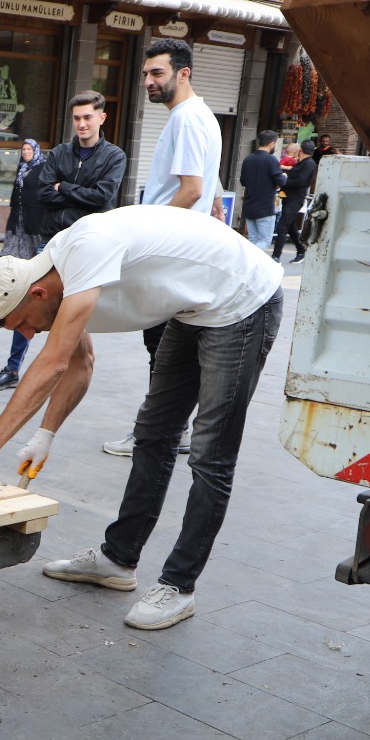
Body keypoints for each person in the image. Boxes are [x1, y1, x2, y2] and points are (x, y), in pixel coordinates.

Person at [0, 204, 283, 631]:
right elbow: (79, 361)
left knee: (209, 455)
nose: (28, 335)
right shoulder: (59, 277)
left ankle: (179, 587)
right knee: (153, 435)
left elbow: (52, 362)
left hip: (243, 302)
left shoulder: (84, 254)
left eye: (23, 325)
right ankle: (118, 559)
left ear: (37, 294)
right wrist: (45, 435)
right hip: (193, 307)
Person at [103, 38, 224, 459]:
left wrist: (148, 234)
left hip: (170, 254)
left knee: (163, 351)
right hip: (184, 250)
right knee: (168, 350)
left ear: (183, 73)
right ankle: (170, 430)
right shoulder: (198, 115)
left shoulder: (188, 119)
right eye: (145, 74)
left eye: (157, 73)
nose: (148, 82)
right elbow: (207, 190)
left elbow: (190, 190)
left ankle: (157, 433)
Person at [0, 139, 49, 390]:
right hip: (21, 235)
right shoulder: (23, 170)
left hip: (43, 240)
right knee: (24, 300)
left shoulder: (45, 170)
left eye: (29, 149)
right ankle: (12, 368)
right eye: (24, 150)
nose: (26, 153)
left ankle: (48, 371)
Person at [272, 139, 318, 265]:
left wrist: (285, 181)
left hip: (296, 198)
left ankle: (276, 256)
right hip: (289, 197)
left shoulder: (309, 164)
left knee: (282, 226)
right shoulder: (302, 163)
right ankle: (301, 249)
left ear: (300, 150)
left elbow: (300, 181)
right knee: (291, 226)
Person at [239, 130, 285, 251]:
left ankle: (249, 266)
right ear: (272, 143)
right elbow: (281, 181)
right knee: (264, 241)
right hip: (265, 207)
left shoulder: (248, 159)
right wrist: (284, 177)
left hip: (249, 205)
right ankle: (246, 260)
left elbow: (243, 181)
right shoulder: (271, 160)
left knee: (253, 240)